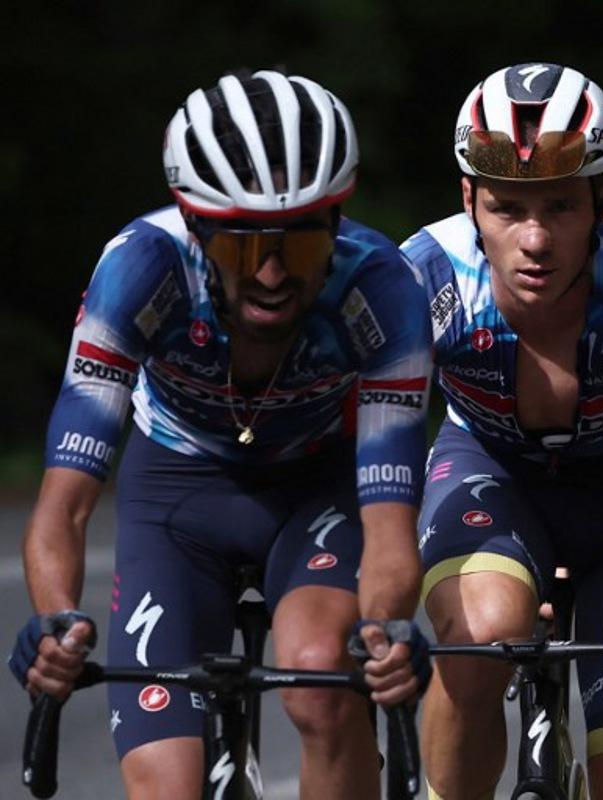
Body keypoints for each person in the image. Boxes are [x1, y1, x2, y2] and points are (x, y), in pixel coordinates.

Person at [8, 71, 432, 799]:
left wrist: (387, 630)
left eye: (298, 250)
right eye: (242, 249)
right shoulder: (139, 270)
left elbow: (390, 520)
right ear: (197, 227)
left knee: (323, 682)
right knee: (168, 785)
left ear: (336, 226)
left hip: (314, 491)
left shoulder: (383, 291)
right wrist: (56, 618)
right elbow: (66, 501)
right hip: (175, 492)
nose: (271, 275)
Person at [399, 63, 603, 798]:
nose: (536, 239)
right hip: (491, 473)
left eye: (560, 207)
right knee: (481, 640)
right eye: (508, 209)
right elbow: (366, 455)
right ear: (468, 199)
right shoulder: (426, 277)